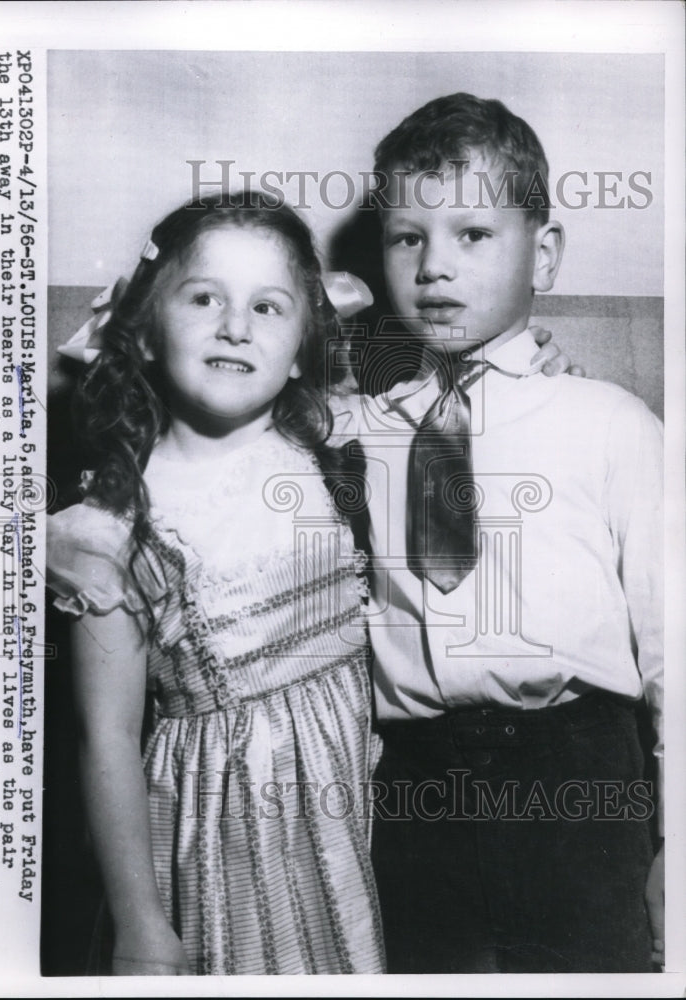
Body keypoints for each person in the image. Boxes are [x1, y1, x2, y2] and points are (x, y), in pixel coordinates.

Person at [329, 93, 664, 973]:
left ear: (542, 255)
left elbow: (673, 649)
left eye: (473, 234)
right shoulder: (352, 431)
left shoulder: (608, 420)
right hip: (411, 784)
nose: (434, 266)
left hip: (579, 776)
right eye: (407, 238)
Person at [46, 191, 388, 976]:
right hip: (220, 830)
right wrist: (138, 922)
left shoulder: (332, 444)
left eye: (268, 307)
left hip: (347, 818)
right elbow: (105, 738)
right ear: (144, 329)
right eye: (205, 298)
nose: (236, 326)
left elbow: (469, 413)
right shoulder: (112, 523)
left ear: (303, 346)